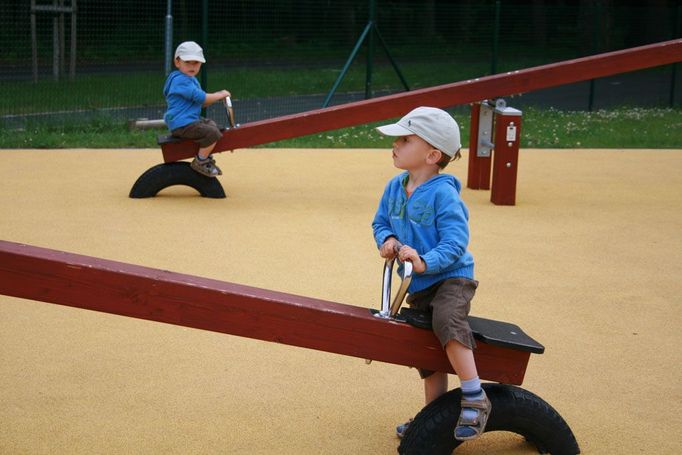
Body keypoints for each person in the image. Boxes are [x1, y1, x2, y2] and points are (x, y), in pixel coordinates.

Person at [371, 107, 491, 441]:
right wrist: (388, 240)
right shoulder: (395, 188)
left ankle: (474, 396)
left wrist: (424, 260)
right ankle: (432, 420)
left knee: (447, 321)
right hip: (420, 284)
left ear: (432, 154)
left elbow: (456, 243)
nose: (395, 145)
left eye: (405, 140)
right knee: (426, 352)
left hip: (451, 278)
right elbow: (380, 223)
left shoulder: (443, 193)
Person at [163, 41, 231, 177]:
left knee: (212, 125)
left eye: (196, 63)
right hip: (182, 124)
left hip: (188, 121)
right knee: (212, 133)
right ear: (177, 62)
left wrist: (215, 97)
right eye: (188, 62)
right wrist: (220, 95)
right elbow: (202, 98)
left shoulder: (189, 79)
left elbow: (201, 103)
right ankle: (201, 161)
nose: (192, 66)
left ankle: (204, 154)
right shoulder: (181, 80)